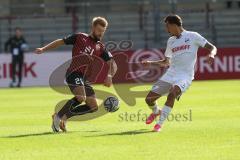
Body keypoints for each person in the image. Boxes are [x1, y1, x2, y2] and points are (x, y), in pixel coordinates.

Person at [35, 17, 117, 133]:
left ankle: (64, 117)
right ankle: (58, 118)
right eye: (99, 30)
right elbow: (60, 41)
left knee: (93, 107)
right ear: (93, 28)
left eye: (103, 31)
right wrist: (44, 49)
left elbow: (113, 64)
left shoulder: (100, 47)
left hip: (84, 78)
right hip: (73, 73)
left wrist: (109, 76)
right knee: (81, 97)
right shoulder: (80, 37)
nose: (100, 33)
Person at [141, 14, 217, 132]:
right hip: (171, 74)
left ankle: (159, 125)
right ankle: (156, 112)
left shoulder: (193, 36)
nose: (167, 30)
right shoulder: (171, 41)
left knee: (172, 93)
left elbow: (213, 47)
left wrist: (211, 54)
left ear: (173, 25)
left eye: (167, 26)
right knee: (149, 99)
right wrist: (150, 63)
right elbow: (166, 62)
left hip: (185, 76)